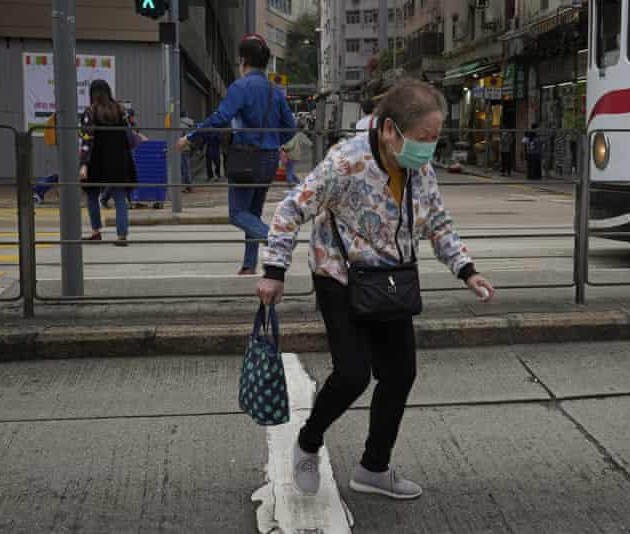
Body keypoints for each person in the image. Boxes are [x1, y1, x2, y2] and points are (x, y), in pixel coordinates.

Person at [256, 80, 495, 500]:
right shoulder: (346, 163)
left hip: (391, 280)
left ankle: (373, 469)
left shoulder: (418, 168)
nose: (429, 148)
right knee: (352, 374)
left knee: (400, 374)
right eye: (424, 138)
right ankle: (308, 442)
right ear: (390, 130)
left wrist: (466, 269)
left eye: (435, 138)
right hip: (340, 276)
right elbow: (291, 208)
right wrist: (274, 269)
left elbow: (437, 222)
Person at [177, 33, 296, 275]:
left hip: (246, 158)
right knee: (253, 212)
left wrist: (191, 138)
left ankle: (275, 239)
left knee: (237, 213)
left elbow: (220, 118)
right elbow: (291, 127)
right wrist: (272, 141)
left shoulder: (240, 86)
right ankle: (249, 265)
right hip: (270, 157)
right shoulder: (275, 90)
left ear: (243, 61)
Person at [79, 80, 140, 246]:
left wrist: (84, 164)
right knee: (120, 197)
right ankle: (121, 236)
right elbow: (131, 131)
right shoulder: (120, 110)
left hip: (96, 161)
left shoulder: (89, 113)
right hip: (119, 159)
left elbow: (87, 139)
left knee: (92, 195)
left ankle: (96, 231)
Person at [180, 112, 195, 193]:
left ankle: (185, 186)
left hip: (181, 148)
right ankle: (189, 185)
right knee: (188, 167)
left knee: (183, 168)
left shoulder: (179, 124)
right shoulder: (190, 123)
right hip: (188, 148)